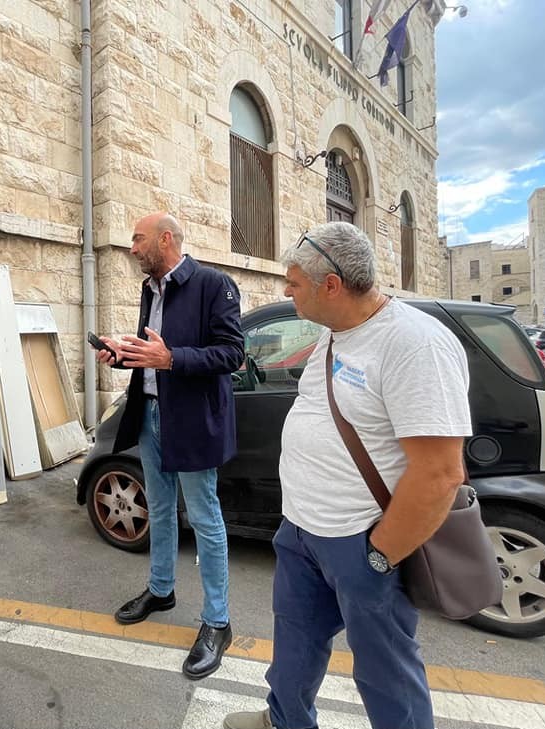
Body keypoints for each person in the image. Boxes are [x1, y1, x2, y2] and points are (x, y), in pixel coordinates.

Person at [223, 222, 472, 729]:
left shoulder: (415, 344)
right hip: (301, 529)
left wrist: (380, 553)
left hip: (360, 539)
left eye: (294, 283)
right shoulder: (335, 334)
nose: (287, 292)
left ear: (331, 285)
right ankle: (285, 720)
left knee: (385, 670)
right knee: (295, 640)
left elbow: (441, 472)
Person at [94, 211, 244, 679]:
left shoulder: (213, 284)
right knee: (159, 510)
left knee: (204, 518)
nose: (132, 248)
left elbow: (233, 353)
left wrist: (172, 358)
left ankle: (218, 622)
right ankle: (161, 590)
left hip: (192, 423)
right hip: (151, 417)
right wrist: (124, 356)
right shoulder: (150, 289)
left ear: (165, 240)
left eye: (138, 239)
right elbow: (153, 356)